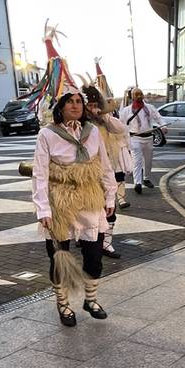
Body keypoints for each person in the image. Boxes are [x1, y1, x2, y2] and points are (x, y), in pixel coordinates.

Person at [28, 22, 117, 327]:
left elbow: (105, 167)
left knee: (93, 254)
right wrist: (43, 208)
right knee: (59, 255)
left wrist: (111, 197)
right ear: (61, 106)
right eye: (71, 102)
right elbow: (39, 174)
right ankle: (64, 305)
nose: (77, 105)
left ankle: (91, 299)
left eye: (79, 101)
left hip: (89, 196)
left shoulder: (93, 132)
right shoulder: (47, 135)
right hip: (60, 198)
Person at [82, 77, 132, 260]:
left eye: (97, 104)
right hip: (86, 175)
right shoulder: (77, 125)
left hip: (108, 170)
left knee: (109, 209)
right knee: (88, 211)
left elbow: (120, 130)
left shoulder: (106, 121)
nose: (94, 108)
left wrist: (103, 114)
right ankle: (88, 238)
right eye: (90, 105)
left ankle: (106, 244)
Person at [118, 88, 165, 194]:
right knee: (137, 161)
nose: (139, 96)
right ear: (132, 97)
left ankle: (146, 178)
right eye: (136, 94)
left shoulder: (150, 108)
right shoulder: (126, 111)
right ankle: (137, 183)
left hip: (148, 138)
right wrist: (123, 137)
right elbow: (121, 125)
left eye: (140, 94)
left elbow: (158, 117)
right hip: (135, 139)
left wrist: (163, 126)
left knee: (148, 161)